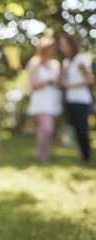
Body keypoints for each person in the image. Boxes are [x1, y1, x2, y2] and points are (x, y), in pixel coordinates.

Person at [58, 34, 95, 162]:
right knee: (76, 128)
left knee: (82, 127)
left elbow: (90, 79)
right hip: (70, 100)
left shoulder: (79, 60)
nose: (62, 47)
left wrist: (70, 85)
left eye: (65, 44)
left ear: (72, 45)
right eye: (61, 45)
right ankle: (84, 155)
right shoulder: (66, 62)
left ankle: (87, 156)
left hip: (81, 100)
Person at [27, 37, 62, 163]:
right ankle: (42, 155)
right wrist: (47, 81)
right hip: (40, 101)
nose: (50, 50)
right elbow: (32, 85)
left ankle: (44, 153)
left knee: (48, 129)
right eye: (48, 47)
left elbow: (58, 82)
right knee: (46, 127)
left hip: (53, 100)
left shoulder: (55, 64)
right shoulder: (34, 63)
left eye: (52, 47)